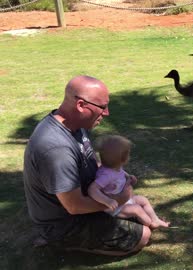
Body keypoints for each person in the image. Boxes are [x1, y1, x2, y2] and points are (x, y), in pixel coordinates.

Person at [23, 75, 151, 256]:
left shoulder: (75, 125)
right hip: (65, 223)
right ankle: (61, 242)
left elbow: (89, 159)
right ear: (81, 105)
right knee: (143, 236)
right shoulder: (56, 148)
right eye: (102, 107)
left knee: (138, 210)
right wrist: (118, 200)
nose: (106, 113)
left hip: (84, 201)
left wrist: (116, 173)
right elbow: (74, 206)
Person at [88, 135, 169, 229]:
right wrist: (107, 201)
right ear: (124, 159)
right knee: (137, 209)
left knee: (143, 200)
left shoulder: (114, 167)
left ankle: (155, 220)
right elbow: (92, 189)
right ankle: (149, 224)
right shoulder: (106, 175)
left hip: (123, 201)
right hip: (114, 208)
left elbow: (121, 172)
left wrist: (128, 176)